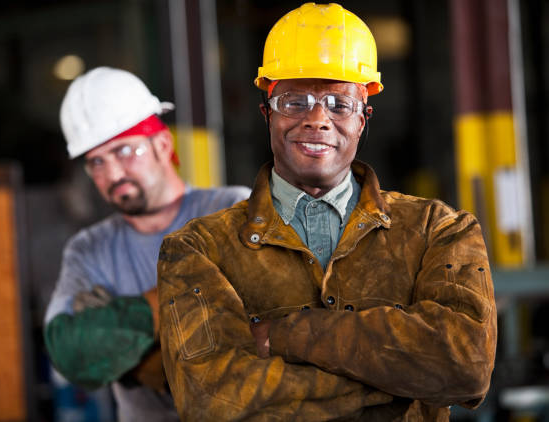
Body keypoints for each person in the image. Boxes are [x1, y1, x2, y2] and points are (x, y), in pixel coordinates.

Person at [157, 3, 497, 421]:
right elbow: (212, 400)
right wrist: (395, 386)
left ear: (362, 120)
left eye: (339, 104)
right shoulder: (198, 249)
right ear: (267, 114)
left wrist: (287, 336)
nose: (318, 119)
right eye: (295, 102)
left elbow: (466, 367)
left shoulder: (438, 230)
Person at [44, 66, 251, 422]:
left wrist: (128, 339)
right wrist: (196, 298)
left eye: (124, 151)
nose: (112, 174)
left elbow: (273, 323)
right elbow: (72, 354)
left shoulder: (230, 209)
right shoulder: (88, 250)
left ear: (162, 144)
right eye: (97, 161)